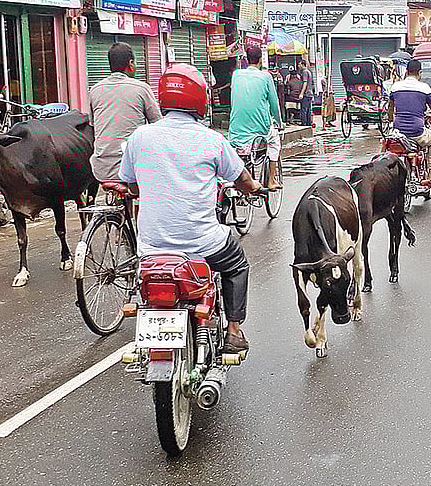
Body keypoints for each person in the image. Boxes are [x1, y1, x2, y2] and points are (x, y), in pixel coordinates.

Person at [118, 63, 263, 353]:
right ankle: (234, 332)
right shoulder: (212, 140)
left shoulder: (139, 137)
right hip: (202, 245)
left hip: (151, 249)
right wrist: (255, 188)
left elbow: (131, 185)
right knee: (237, 264)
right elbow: (243, 180)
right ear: (200, 98)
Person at [88, 42, 162, 183]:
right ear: (131, 63)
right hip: (133, 169)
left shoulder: (95, 90)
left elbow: (93, 125)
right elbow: (158, 124)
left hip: (101, 170)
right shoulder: (142, 88)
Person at [228, 46, 284, 190]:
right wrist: (279, 123)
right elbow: (274, 104)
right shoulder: (266, 77)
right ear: (260, 60)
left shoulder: (236, 75)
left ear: (247, 60)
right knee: (275, 142)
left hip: (235, 129)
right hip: (261, 129)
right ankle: (271, 180)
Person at [387, 59, 431, 186]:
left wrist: (390, 120)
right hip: (417, 132)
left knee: (386, 144)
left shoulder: (395, 87)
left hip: (398, 130)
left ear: (407, 72)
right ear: (420, 73)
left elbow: (390, 108)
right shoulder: (424, 88)